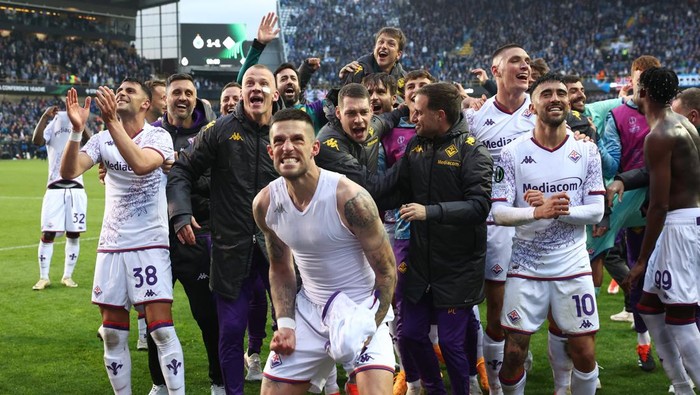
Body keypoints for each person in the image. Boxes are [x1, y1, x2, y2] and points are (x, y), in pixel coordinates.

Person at [252, 108, 397, 395]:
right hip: (310, 310)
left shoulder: (350, 199)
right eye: (279, 141)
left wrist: (369, 325)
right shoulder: (265, 204)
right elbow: (281, 268)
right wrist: (286, 324)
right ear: (270, 151)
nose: (288, 148)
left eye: (297, 139)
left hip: (361, 307)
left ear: (315, 147)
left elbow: (387, 271)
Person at [60, 80, 184, 394]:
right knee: (113, 334)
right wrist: (77, 131)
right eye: (119, 90)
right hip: (111, 247)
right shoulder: (101, 139)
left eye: (130, 91)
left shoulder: (158, 136)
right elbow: (69, 172)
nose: (121, 93)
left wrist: (112, 121)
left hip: (149, 244)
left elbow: (142, 164)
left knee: (161, 331)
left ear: (145, 104)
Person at [167, 64, 279, 395]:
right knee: (230, 330)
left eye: (263, 83)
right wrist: (181, 214)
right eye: (250, 83)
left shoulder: (286, 129)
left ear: (273, 91)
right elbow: (182, 170)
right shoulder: (219, 130)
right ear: (242, 92)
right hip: (230, 247)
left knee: (294, 324)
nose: (256, 89)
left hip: (280, 246)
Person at [492, 73, 605, 395]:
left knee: (584, 352)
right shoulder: (511, 153)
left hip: (573, 265)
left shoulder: (587, 152)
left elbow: (596, 211)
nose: (555, 98)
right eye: (546, 93)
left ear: (569, 102)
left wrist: (558, 209)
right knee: (514, 352)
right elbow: (499, 213)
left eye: (561, 93)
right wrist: (535, 212)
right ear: (532, 105)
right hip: (526, 267)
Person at [390, 82, 493, 395]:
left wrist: (429, 212)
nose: (414, 118)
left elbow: (479, 206)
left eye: (419, 112)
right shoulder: (416, 147)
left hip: (458, 266)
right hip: (422, 263)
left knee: (450, 344)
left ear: (441, 114)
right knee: (409, 335)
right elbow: (390, 186)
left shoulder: (472, 150)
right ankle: (434, 389)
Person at [621, 67, 700, 395]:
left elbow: (659, 204)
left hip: (677, 228)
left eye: (636, 86)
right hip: (688, 220)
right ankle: (681, 386)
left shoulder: (660, 134)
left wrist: (640, 260)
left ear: (644, 93)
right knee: (650, 309)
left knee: (681, 319)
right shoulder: (684, 125)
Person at [143, 73, 222, 395]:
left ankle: (218, 381)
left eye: (189, 92)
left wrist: (180, 170)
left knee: (208, 315)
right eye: (176, 92)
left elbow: (216, 181)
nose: (183, 98)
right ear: (166, 98)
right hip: (155, 238)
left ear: (196, 97)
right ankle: (159, 383)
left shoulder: (210, 135)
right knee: (154, 319)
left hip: (195, 235)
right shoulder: (150, 135)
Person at [463, 44, 535, 395]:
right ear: (495, 71)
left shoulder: (539, 114)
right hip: (496, 226)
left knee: (534, 307)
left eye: (527, 62)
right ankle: (491, 378)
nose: (525, 66)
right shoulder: (476, 118)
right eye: (516, 61)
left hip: (537, 226)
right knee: (496, 309)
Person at [31, 106, 90, 290]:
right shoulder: (52, 124)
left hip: (76, 188)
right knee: (47, 233)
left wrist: (82, 121)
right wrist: (44, 116)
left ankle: (67, 276)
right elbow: (36, 141)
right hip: (54, 188)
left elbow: (90, 141)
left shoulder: (78, 127)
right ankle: (43, 277)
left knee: (73, 234)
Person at [340, 27, 407, 87]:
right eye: (381, 42)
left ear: (398, 55)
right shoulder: (358, 72)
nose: (384, 46)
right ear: (374, 48)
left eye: (391, 44)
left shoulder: (405, 80)